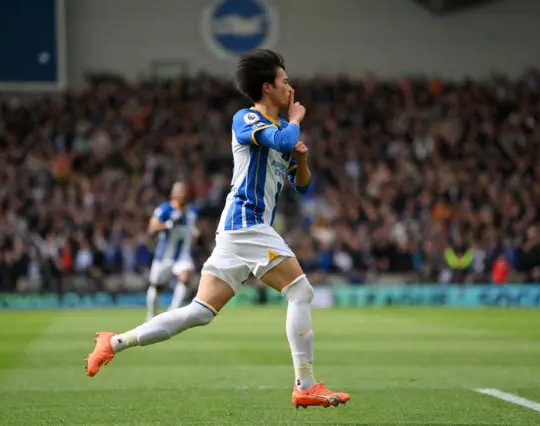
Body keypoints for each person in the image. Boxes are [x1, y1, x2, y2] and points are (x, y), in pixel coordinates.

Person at [85, 49, 350, 409]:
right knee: (300, 293)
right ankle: (305, 384)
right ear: (267, 86)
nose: (291, 87)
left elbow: (301, 184)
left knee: (200, 312)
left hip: (238, 231)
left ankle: (113, 342)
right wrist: (296, 119)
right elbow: (286, 140)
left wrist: (301, 160)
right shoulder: (247, 119)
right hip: (248, 222)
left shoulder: (277, 132)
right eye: (285, 81)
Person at [146, 182, 200, 321]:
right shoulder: (164, 210)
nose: (182, 194)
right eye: (179, 191)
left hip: (183, 255)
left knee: (185, 278)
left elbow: (192, 229)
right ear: (173, 194)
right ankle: (151, 316)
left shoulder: (192, 211)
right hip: (164, 256)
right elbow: (152, 229)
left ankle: (172, 313)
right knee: (156, 287)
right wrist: (168, 224)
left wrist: (195, 233)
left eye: (184, 191)